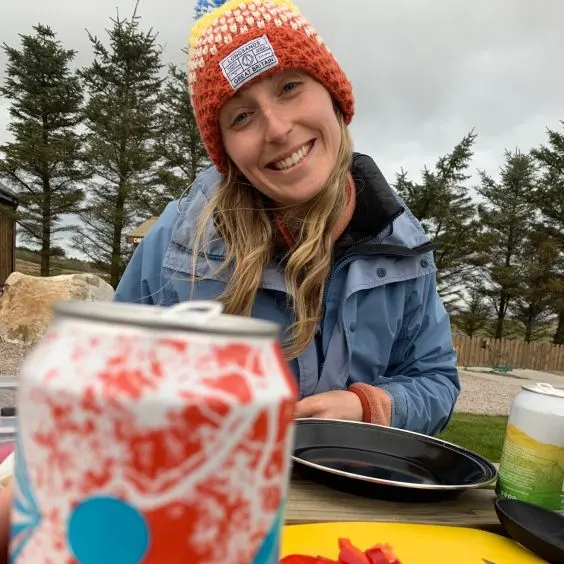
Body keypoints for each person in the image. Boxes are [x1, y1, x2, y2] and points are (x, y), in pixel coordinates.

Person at [114, 0, 460, 435]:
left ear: (333, 92)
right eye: (242, 116)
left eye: (289, 87)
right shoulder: (179, 242)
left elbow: (436, 381)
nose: (276, 129)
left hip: (350, 497)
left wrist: (369, 406)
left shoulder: (401, 243)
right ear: (226, 151)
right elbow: (106, 381)